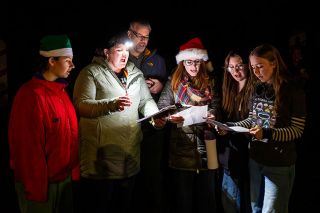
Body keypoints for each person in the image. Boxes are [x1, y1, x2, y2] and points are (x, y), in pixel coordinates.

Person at [72, 31, 165, 213]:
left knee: (123, 206)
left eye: (127, 51)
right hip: (100, 160)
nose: (124, 55)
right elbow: (81, 105)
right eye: (119, 50)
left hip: (128, 156)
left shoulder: (135, 73)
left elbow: (145, 102)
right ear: (107, 52)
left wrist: (156, 118)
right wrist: (111, 104)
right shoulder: (91, 73)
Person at [227, 44, 306, 213]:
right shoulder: (257, 88)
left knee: (271, 210)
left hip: (278, 163)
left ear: (274, 63)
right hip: (255, 158)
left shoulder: (292, 90)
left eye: (260, 66)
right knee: (255, 208)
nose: (256, 72)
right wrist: (230, 127)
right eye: (253, 67)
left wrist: (266, 133)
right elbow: (252, 119)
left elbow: (297, 130)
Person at [8, 34, 79, 213]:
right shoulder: (31, 95)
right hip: (42, 185)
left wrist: (73, 172)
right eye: (67, 60)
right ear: (52, 61)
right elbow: (27, 149)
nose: (73, 65)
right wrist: (37, 190)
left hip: (62, 180)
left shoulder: (61, 93)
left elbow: (70, 136)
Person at [157, 37, 220, 213]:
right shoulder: (174, 83)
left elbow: (216, 106)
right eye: (189, 62)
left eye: (197, 62)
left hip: (207, 146)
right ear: (182, 62)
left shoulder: (210, 81)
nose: (194, 66)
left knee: (207, 200)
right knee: (183, 201)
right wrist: (171, 117)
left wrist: (213, 114)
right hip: (181, 148)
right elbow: (163, 107)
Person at [127, 19, 168, 213]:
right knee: (128, 176)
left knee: (152, 174)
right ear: (129, 34)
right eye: (139, 36)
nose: (143, 41)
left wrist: (160, 85)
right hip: (126, 125)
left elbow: (167, 87)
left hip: (151, 126)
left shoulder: (157, 59)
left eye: (146, 37)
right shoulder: (120, 56)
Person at [216, 50, 254, 213]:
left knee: (249, 199)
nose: (236, 71)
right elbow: (222, 114)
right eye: (231, 67)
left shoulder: (256, 88)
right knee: (230, 201)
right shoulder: (228, 88)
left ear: (248, 65)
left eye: (239, 66)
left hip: (250, 153)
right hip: (230, 152)